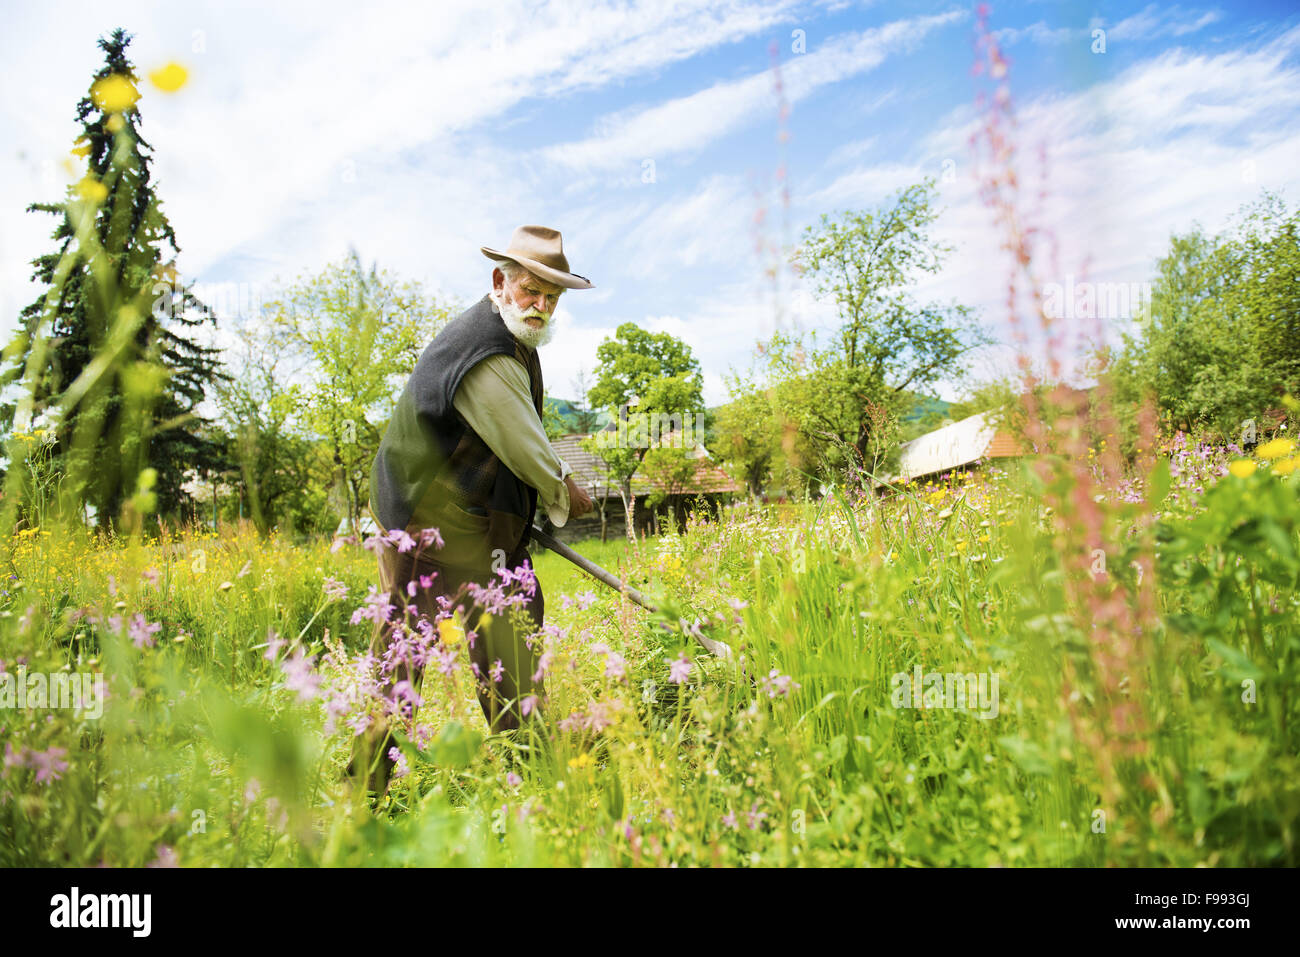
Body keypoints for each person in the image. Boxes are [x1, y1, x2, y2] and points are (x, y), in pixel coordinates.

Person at [351, 225, 594, 795]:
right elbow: (524, 444)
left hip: (483, 528)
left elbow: (515, 435)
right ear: (500, 282)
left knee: (515, 638)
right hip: (423, 529)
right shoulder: (484, 351)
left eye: (552, 298)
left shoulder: (518, 339)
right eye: (532, 291)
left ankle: (530, 774)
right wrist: (565, 488)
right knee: (403, 660)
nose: (541, 306)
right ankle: (367, 793)